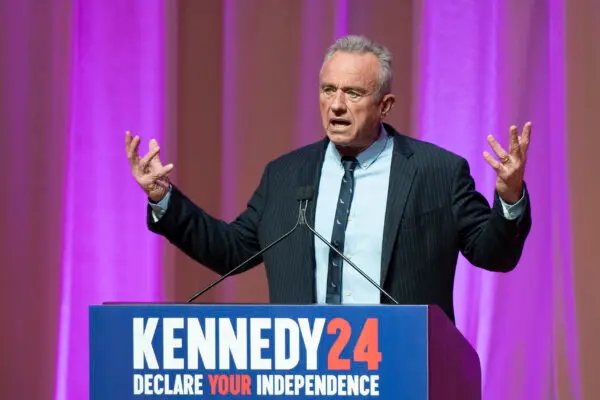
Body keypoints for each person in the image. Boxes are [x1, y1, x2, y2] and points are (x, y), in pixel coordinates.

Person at [125, 35, 531, 323]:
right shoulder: (286, 175)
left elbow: (492, 254)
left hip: (401, 373)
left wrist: (510, 198)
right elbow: (230, 251)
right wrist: (164, 200)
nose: (336, 105)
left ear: (384, 105)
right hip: (307, 374)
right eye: (327, 90)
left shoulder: (437, 172)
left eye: (353, 93)